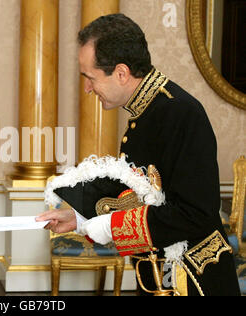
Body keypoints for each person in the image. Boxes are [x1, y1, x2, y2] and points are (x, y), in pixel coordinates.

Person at [37, 14, 240, 296]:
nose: (87, 88)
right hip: (160, 278)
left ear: (121, 73)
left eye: (90, 78)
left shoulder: (179, 112)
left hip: (194, 280)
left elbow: (195, 213)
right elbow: (134, 189)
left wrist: (110, 228)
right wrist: (79, 218)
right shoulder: (146, 111)